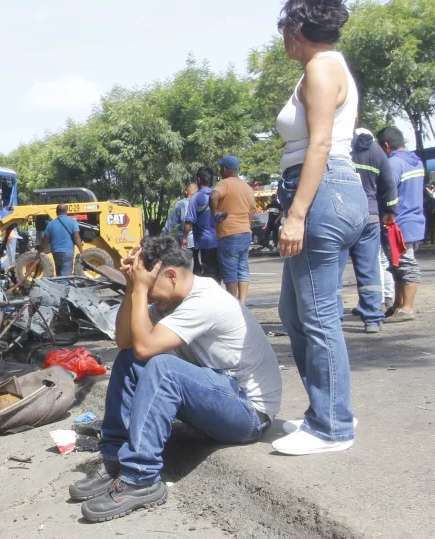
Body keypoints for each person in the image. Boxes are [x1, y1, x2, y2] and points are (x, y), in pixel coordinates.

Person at [69, 235, 281, 522]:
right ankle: (114, 458)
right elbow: (125, 341)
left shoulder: (205, 299)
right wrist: (134, 286)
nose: (149, 296)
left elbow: (146, 348)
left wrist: (141, 290)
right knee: (128, 359)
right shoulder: (170, 300)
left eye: (150, 286)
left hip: (248, 413)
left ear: (170, 275)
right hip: (217, 395)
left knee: (162, 366)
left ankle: (141, 478)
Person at [270, 0, 368, 456]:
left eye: (285, 27)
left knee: (319, 315)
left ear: (297, 27)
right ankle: (323, 413)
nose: (282, 36)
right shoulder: (326, 66)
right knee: (295, 310)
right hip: (328, 188)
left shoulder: (322, 68)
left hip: (322, 190)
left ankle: (333, 426)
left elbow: (322, 144)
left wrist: (297, 214)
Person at [344, 128, 397, 334]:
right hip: (370, 215)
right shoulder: (376, 151)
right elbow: (388, 183)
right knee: (370, 268)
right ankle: (373, 319)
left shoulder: (342, 146)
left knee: (334, 268)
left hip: (343, 214)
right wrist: (390, 210)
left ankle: (333, 317)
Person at [376, 126, 425, 322]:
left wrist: (387, 212)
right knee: (396, 265)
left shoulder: (394, 164)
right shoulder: (416, 161)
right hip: (414, 220)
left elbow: (389, 193)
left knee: (406, 264)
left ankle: (407, 308)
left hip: (399, 223)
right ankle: (398, 304)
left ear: (386, 146)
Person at [208, 155, 256, 301]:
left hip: (229, 232)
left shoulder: (224, 184)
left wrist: (215, 212)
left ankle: (233, 303)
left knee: (230, 269)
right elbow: (251, 210)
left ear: (224, 169)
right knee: (243, 268)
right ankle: (242, 302)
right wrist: (247, 225)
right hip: (245, 232)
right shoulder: (246, 187)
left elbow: (213, 196)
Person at [183, 168, 218, 277]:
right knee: (218, 270)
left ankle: (211, 292)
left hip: (205, 242)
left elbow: (189, 221)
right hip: (220, 240)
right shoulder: (218, 195)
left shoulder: (196, 197)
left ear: (198, 179)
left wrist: (184, 238)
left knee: (208, 271)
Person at [39, 204, 84, 276]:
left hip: (56, 253)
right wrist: (82, 252)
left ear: (56, 212)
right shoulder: (72, 222)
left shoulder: (50, 224)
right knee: (64, 277)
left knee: (59, 274)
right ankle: (61, 286)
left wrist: (39, 253)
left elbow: (45, 241)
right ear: (67, 211)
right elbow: (77, 238)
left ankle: (59, 285)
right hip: (68, 252)